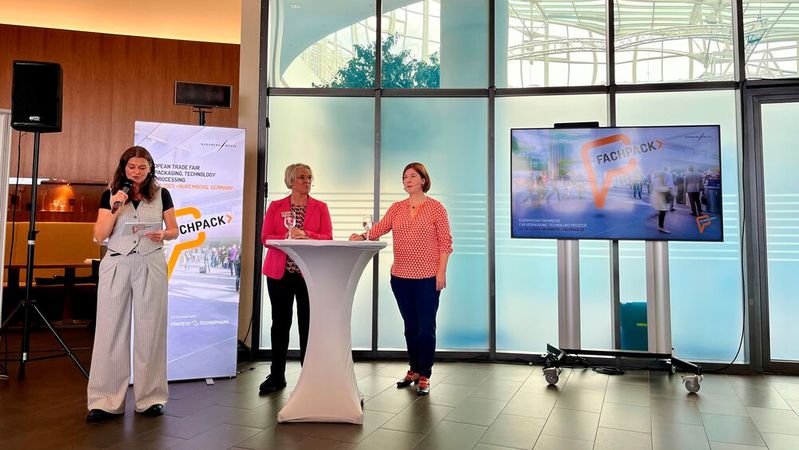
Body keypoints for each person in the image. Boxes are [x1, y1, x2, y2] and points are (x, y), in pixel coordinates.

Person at [86, 146, 178, 422]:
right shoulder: (111, 195)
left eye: (142, 167)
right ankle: (105, 401)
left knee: (151, 330)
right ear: (123, 167)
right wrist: (116, 207)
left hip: (151, 262)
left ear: (150, 169)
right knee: (110, 330)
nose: (136, 172)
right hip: (117, 262)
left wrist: (163, 234)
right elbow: (99, 235)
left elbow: (174, 229)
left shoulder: (162, 194)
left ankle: (151, 398)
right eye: (131, 167)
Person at [349, 162, 453, 395]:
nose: (408, 180)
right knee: (410, 327)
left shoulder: (436, 208)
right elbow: (380, 229)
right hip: (400, 277)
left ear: (423, 180)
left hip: (427, 277)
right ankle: (414, 369)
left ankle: (425, 374)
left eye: (413, 176)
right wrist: (362, 236)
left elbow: (445, 242)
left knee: (426, 328)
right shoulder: (397, 208)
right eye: (405, 177)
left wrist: (441, 272)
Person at [259, 163, 332, 394]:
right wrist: (286, 235)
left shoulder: (320, 207)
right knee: (280, 324)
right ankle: (277, 375)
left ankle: (309, 376)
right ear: (291, 180)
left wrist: (306, 234)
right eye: (302, 177)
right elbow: (265, 238)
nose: (307, 181)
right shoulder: (276, 206)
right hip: (279, 274)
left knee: (307, 324)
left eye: (309, 177)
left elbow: (328, 237)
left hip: (308, 274)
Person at [651, 169, 672, 233]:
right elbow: (659, 188)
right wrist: (668, 188)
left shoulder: (661, 179)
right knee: (663, 211)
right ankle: (661, 227)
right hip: (658, 199)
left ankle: (660, 225)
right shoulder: (657, 180)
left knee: (662, 211)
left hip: (660, 198)